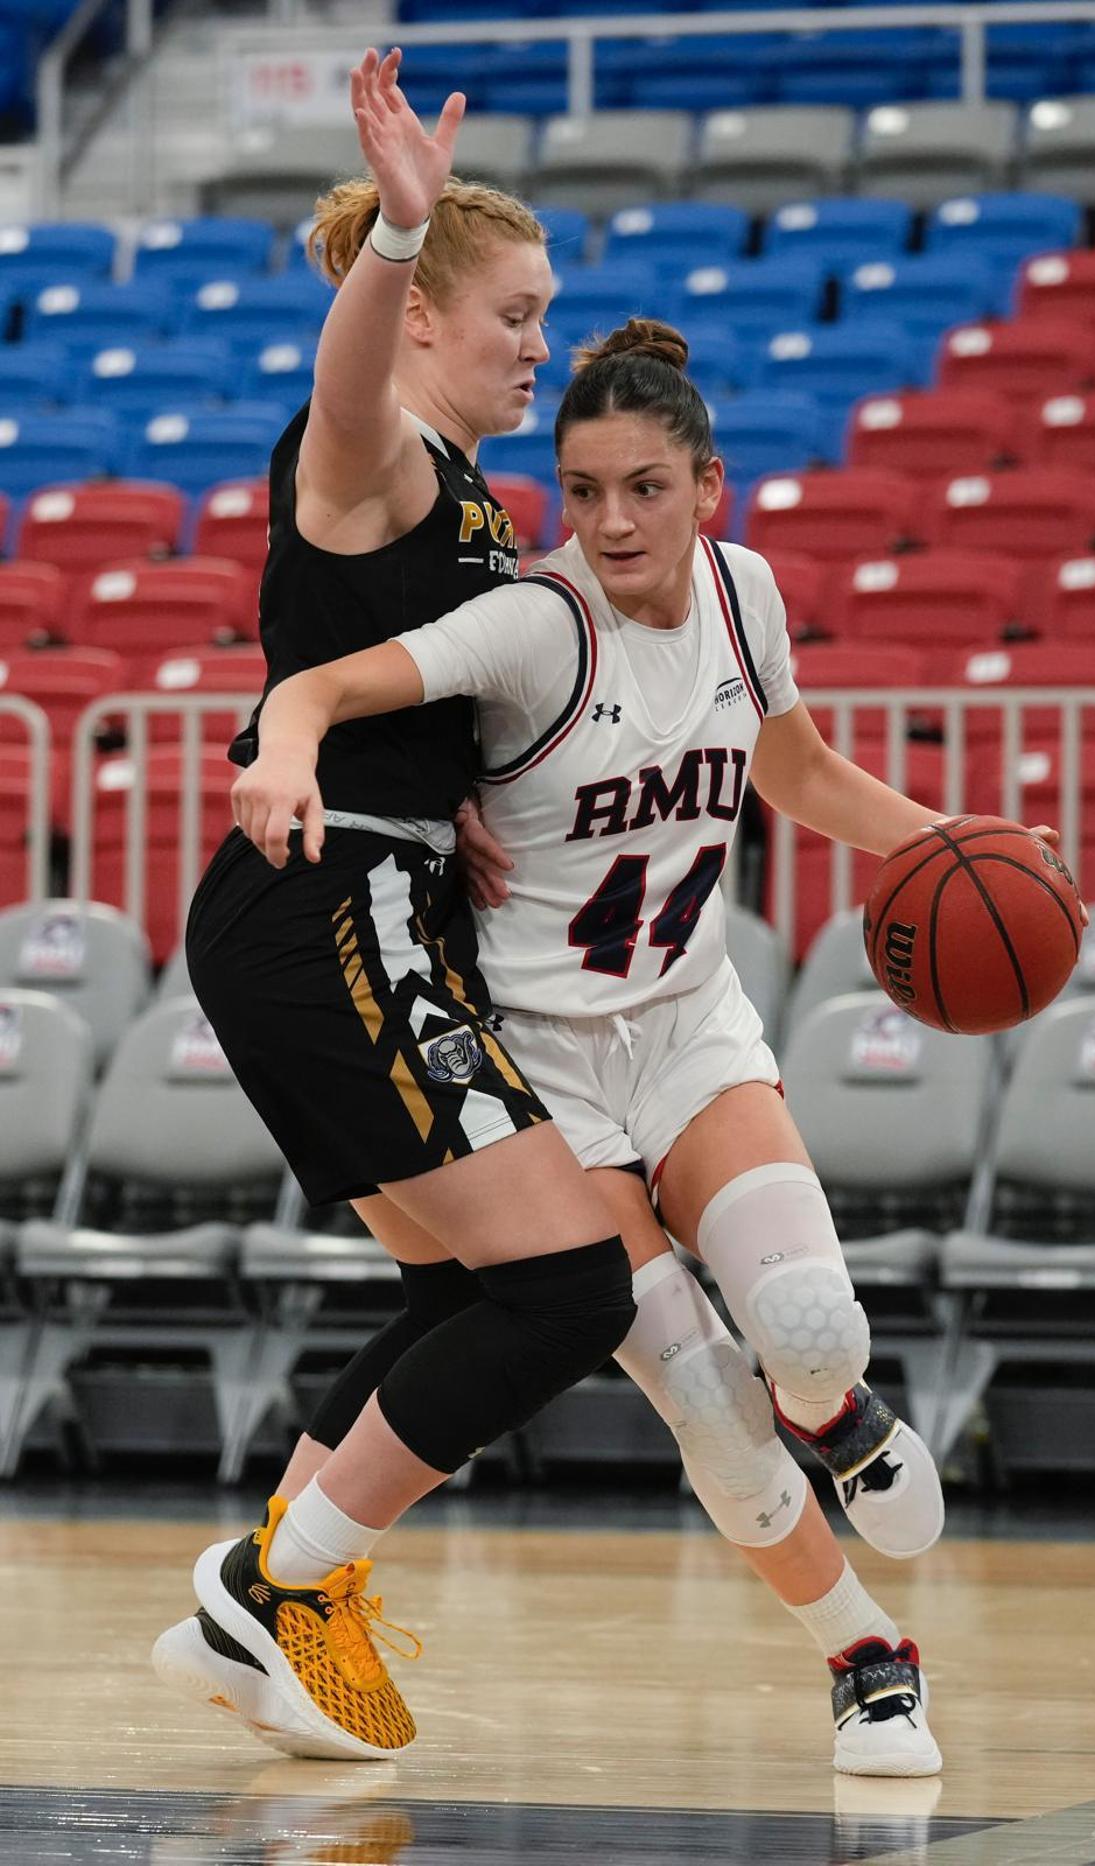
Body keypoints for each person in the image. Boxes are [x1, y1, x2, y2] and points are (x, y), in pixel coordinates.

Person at [161, 316, 1074, 1778]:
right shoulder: (533, 621)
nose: (611, 519)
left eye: (646, 487)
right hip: (547, 1068)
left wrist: (954, 841)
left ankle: (829, 1404)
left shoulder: (746, 593)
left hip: (690, 1023)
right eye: (583, 490)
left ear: (708, 486)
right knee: (699, 1398)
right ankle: (866, 1654)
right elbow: (332, 678)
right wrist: (283, 738)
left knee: (813, 1326)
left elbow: (796, 767)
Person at [150, 49, 640, 1764]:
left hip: (377, 896)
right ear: (429, 316)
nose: (541, 342)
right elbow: (348, 396)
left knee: (470, 1293)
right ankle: (287, 1579)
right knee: (573, 1289)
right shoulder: (381, 451)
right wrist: (398, 239)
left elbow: (424, 684)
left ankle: (276, 1589)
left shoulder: (483, 501)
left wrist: (462, 809)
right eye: (516, 310)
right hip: (323, 905)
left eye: (550, 313)